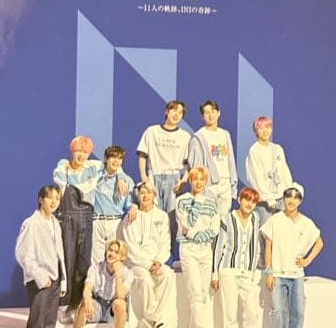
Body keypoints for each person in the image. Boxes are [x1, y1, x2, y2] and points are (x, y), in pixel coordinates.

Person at [261, 182, 324, 328]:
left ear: (300, 201)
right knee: (278, 311)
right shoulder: (274, 220)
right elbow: (268, 248)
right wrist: (269, 272)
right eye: (289, 196)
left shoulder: (306, 223)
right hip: (278, 274)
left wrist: (307, 261)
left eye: (296, 197)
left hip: (296, 276)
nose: (292, 200)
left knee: (298, 313)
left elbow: (319, 243)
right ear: (283, 198)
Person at [14, 184, 67, 328]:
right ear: (40, 199)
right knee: (37, 324)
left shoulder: (55, 223)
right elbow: (22, 254)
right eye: (50, 197)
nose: (54, 202)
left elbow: (60, 254)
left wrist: (63, 280)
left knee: (49, 324)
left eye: (57, 198)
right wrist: (41, 276)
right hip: (40, 282)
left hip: (55, 280)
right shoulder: (31, 223)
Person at [212, 187, 262, 328]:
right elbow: (218, 247)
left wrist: (253, 270)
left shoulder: (256, 219)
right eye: (247, 199)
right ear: (240, 199)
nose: (249, 204)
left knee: (252, 313)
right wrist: (215, 274)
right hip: (228, 272)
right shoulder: (226, 219)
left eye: (253, 201)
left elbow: (255, 246)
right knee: (230, 316)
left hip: (247, 274)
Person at [120, 181, 174, 328]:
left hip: (156, 262)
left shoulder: (162, 216)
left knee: (167, 274)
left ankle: (151, 318)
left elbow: (165, 242)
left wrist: (158, 261)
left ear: (154, 195)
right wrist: (147, 264)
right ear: (137, 196)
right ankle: (154, 318)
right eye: (142, 193)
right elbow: (130, 247)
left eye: (149, 192)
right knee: (145, 279)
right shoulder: (131, 217)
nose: (145, 196)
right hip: (136, 264)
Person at [176, 166, 221, 328]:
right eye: (195, 179)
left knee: (203, 292)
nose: (199, 182)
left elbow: (215, 228)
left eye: (202, 179)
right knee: (194, 291)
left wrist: (202, 237)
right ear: (190, 181)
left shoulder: (211, 203)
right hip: (189, 249)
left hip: (205, 250)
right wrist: (197, 201)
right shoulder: (182, 200)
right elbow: (186, 224)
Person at [53, 135, 98, 309]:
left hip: (86, 219)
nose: (81, 155)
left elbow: (114, 167)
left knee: (83, 261)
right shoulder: (63, 168)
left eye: (85, 152)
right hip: (68, 219)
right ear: (72, 151)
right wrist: (64, 165)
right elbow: (60, 181)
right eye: (78, 151)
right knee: (67, 260)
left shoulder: (93, 168)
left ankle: (77, 304)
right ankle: (63, 304)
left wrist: (122, 178)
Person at [135, 100, 189, 248]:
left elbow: (188, 164)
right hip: (154, 176)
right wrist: (144, 178)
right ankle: (152, 251)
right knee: (153, 216)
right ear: (166, 111)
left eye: (180, 112)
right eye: (174, 110)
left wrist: (183, 180)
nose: (176, 114)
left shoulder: (184, 136)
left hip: (174, 179)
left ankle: (170, 254)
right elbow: (142, 155)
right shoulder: (152, 131)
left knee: (172, 218)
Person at [68, 240, 133, 328]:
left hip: (111, 310)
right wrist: (87, 299)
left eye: (116, 252)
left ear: (122, 257)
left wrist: (118, 274)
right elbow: (87, 288)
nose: (111, 254)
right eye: (110, 250)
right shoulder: (95, 268)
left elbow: (121, 295)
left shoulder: (128, 273)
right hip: (97, 304)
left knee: (120, 303)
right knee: (84, 301)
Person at [185, 99, 237, 219]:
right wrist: (200, 186)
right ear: (202, 116)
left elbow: (231, 160)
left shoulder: (225, 134)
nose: (210, 115)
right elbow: (195, 165)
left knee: (223, 220)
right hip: (209, 184)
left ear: (219, 113)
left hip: (225, 182)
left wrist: (233, 184)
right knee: (207, 218)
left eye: (213, 111)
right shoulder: (198, 137)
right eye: (207, 113)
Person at [244, 116, 293, 228]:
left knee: (282, 231)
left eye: (267, 127)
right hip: (264, 203)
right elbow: (255, 177)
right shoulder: (254, 150)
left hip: (281, 198)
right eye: (261, 128)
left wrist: (289, 190)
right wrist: (268, 197)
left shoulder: (278, 148)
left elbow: (284, 171)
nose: (265, 130)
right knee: (265, 233)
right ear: (256, 131)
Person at [91, 145, 137, 263]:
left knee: (114, 260)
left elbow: (130, 202)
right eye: (113, 157)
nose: (116, 161)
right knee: (96, 261)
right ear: (106, 158)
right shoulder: (96, 176)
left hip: (115, 223)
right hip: (97, 221)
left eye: (119, 158)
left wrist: (134, 206)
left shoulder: (127, 180)